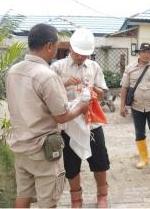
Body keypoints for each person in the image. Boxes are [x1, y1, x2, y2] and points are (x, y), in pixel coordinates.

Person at [5, 23, 89, 208]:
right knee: (48, 202)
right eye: (57, 46)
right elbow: (62, 115)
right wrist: (82, 106)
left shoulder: (13, 71)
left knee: (23, 195)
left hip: (21, 147)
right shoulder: (47, 75)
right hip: (43, 152)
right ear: (50, 46)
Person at [50, 28, 110, 208]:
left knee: (100, 162)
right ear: (70, 48)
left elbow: (102, 94)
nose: (81, 58)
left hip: (91, 123)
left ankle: (102, 195)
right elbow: (48, 94)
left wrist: (94, 90)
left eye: (85, 55)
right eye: (77, 54)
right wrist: (64, 83)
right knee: (71, 165)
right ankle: (76, 199)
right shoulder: (58, 67)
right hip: (68, 124)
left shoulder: (94, 67)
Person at [120, 43, 150, 172]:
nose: (147, 54)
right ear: (139, 53)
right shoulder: (130, 68)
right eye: (145, 52)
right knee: (139, 133)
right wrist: (122, 106)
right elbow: (124, 87)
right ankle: (144, 159)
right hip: (137, 107)